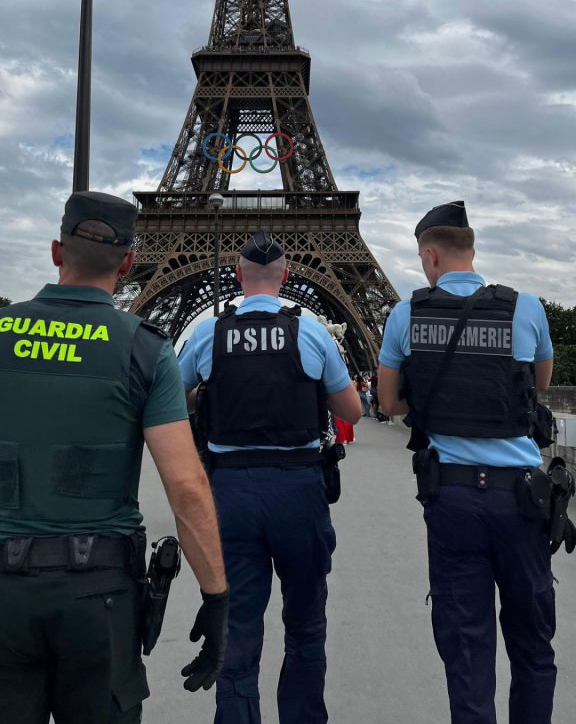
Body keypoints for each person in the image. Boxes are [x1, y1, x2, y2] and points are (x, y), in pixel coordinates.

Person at [0, 191, 229, 724]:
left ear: (57, 251)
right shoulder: (144, 348)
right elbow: (186, 486)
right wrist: (216, 595)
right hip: (98, 595)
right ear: (128, 263)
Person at [378, 200, 556, 724]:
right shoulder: (526, 308)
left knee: (466, 652)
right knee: (533, 644)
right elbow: (540, 386)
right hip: (521, 499)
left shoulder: (406, 314)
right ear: (472, 251)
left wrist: (430, 396)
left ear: (430, 255)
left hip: (452, 498)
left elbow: (387, 403)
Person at [179, 231, 361, 724]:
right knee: (305, 627)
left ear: (238, 274)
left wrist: (207, 396)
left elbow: (171, 397)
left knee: (237, 628)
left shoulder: (209, 333)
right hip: (298, 489)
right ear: (287, 275)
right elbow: (352, 410)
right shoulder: (312, 332)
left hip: (230, 493)